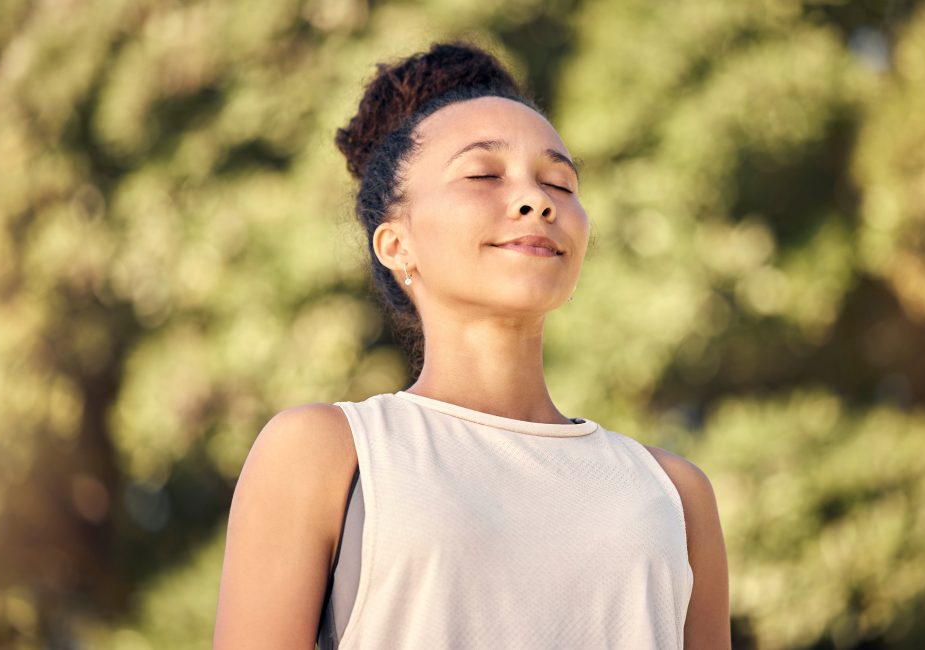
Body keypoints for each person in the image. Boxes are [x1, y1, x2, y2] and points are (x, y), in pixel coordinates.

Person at [213, 42, 730, 650]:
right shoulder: (330, 454)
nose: (536, 200)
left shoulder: (672, 492)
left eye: (560, 182)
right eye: (484, 174)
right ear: (396, 244)